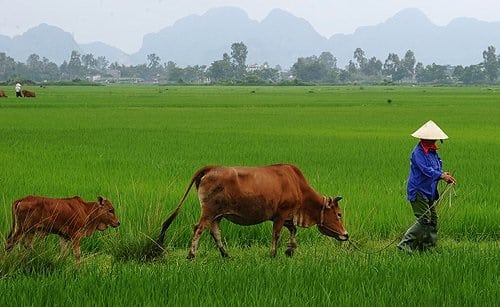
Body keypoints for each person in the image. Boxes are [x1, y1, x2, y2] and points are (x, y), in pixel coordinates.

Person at [397, 120, 456, 253]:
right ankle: (404, 247)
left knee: (433, 220)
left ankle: (428, 249)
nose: (434, 141)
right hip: (418, 191)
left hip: (429, 191)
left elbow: (435, 169)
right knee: (424, 219)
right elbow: (426, 170)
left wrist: (443, 174)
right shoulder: (418, 152)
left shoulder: (432, 152)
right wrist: (441, 176)